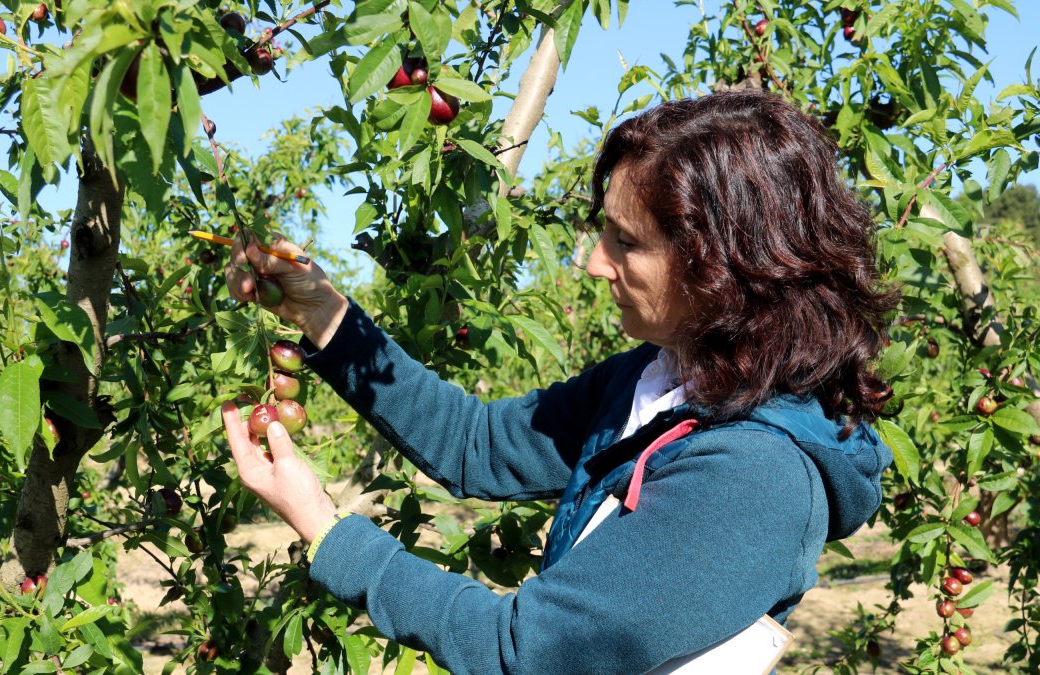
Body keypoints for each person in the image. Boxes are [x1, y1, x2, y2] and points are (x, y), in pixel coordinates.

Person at [219, 89, 900, 674]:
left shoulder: (753, 477)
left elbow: (523, 652)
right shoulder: (662, 380)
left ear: (720, 265)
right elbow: (475, 443)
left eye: (624, 241)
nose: (593, 262)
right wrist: (323, 314)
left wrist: (324, 528)